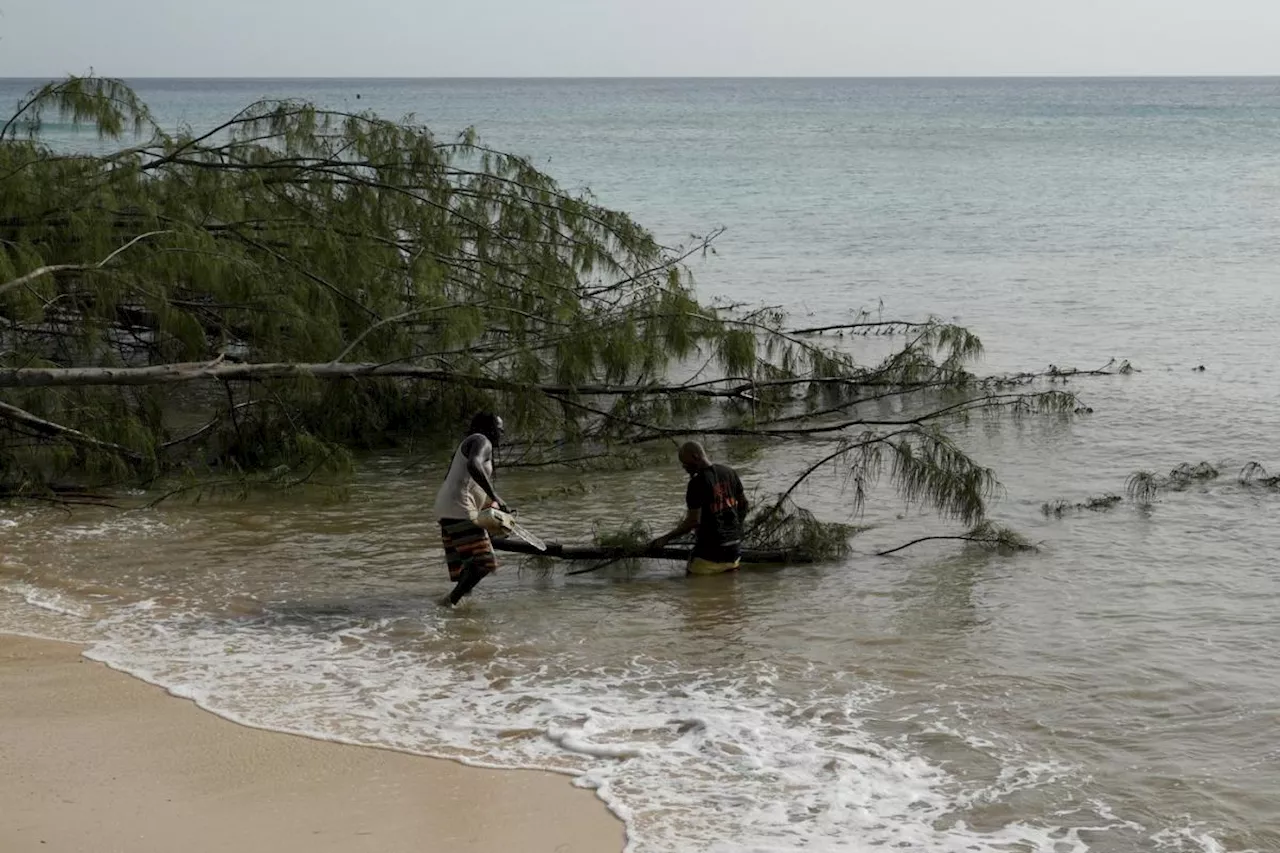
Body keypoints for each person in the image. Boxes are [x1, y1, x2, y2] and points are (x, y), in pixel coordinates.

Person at [433, 412, 510, 607]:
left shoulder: (469, 442)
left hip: (447, 508)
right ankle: (448, 603)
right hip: (459, 508)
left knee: (467, 568)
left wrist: (488, 508)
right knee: (484, 563)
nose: (502, 433)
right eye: (500, 430)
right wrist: (495, 496)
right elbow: (474, 465)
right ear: (489, 430)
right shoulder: (482, 441)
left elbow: (465, 482)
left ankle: (460, 623)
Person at [649, 441, 750, 575]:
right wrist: (737, 528)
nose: (684, 468)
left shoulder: (696, 484)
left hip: (709, 556)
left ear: (696, 457)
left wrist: (665, 538)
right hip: (734, 553)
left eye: (685, 463)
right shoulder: (729, 472)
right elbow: (744, 504)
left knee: (694, 592)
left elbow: (693, 521)